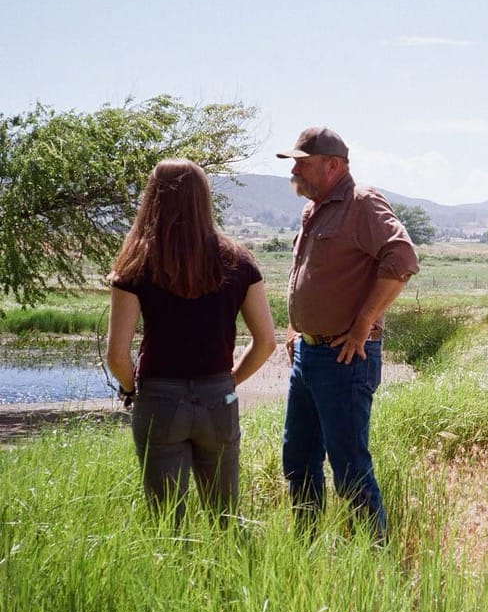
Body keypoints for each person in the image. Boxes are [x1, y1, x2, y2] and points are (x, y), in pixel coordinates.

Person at [106, 158, 277, 525]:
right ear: (204, 199)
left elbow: (117, 356)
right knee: (226, 518)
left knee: (168, 524)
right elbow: (265, 342)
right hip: (218, 398)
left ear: (151, 199)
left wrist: (132, 390)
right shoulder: (240, 261)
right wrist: (230, 380)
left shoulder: (134, 265)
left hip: (159, 399)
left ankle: (175, 581)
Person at [277, 126, 419, 542]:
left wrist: (363, 325)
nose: (296, 170)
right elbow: (311, 274)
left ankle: (372, 562)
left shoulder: (362, 203)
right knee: (298, 459)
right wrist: (295, 327)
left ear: (333, 165)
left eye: (303, 163)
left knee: (349, 466)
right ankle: (307, 549)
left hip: (343, 358)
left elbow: (403, 259)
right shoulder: (315, 209)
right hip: (309, 355)